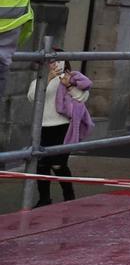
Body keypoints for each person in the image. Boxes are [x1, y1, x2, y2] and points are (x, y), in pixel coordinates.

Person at [33, 57, 92, 206]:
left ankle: (69, 197)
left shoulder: (72, 79)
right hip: (43, 127)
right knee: (42, 166)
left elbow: (83, 97)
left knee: (58, 165)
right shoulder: (40, 80)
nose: (54, 64)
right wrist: (48, 78)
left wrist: (69, 86)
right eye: (51, 61)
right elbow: (31, 96)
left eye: (58, 61)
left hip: (63, 127)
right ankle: (44, 199)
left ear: (65, 62)